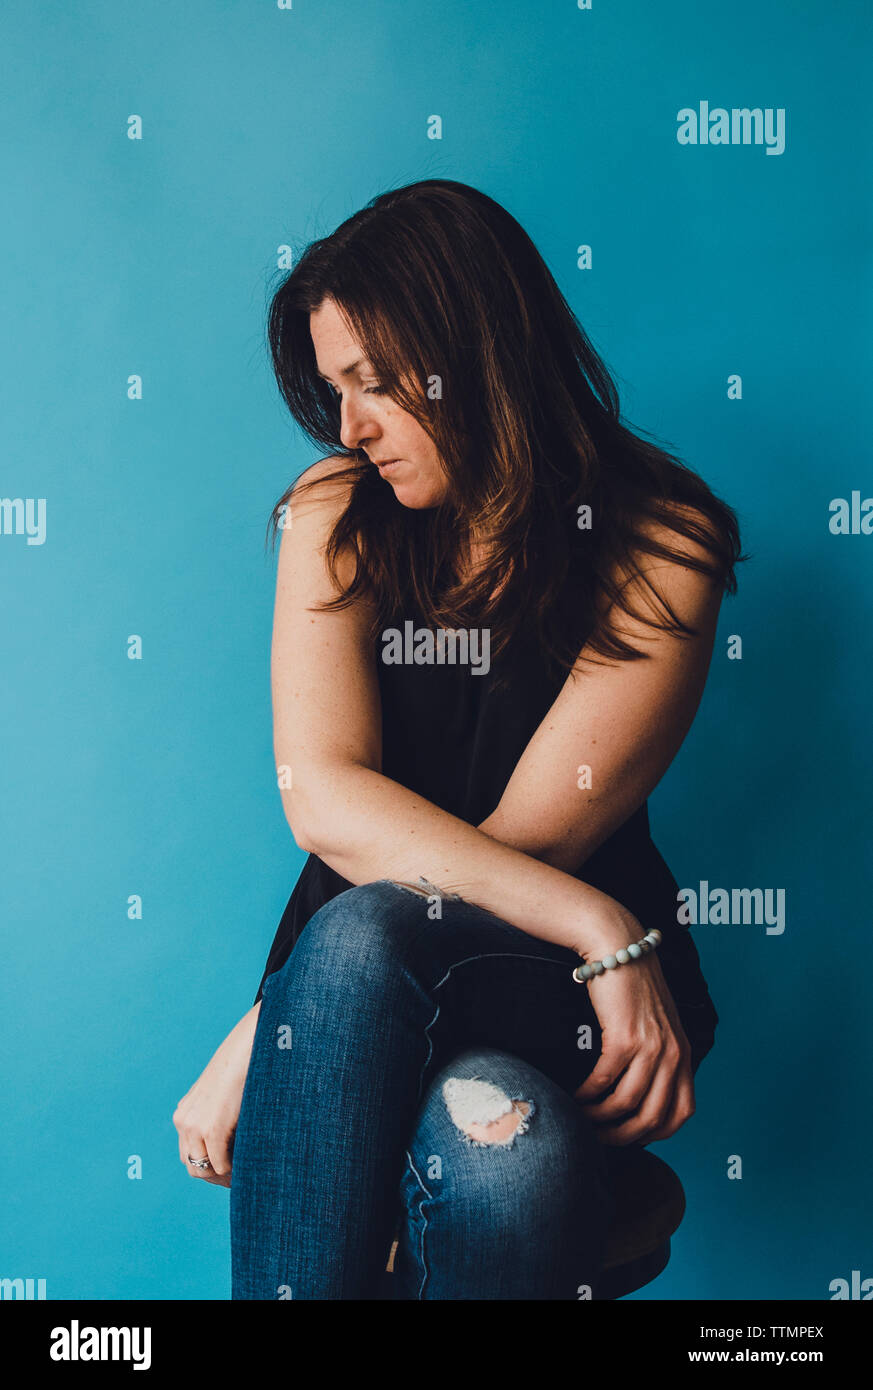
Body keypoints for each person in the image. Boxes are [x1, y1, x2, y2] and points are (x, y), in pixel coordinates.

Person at [173, 179, 742, 1300]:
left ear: (473, 351)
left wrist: (270, 1024)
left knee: (378, 929)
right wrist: (602, 923)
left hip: (557, 989)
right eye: (335, 390)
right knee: (508, 1165)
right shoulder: (333, 510)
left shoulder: (659, 540)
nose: (350, 426)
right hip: (420, 972)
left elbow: (525, 843)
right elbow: (325, 799)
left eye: (375, 384)